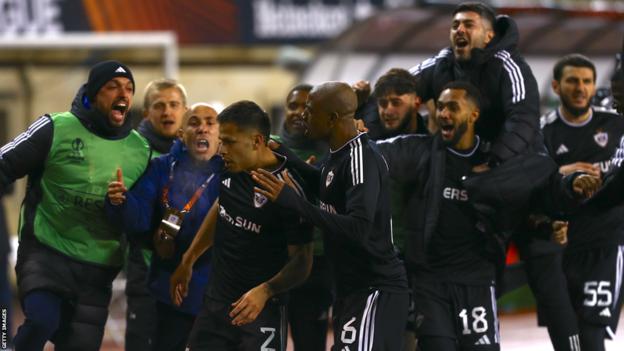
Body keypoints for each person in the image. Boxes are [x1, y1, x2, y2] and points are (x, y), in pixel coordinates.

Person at [372, 81, 597, 351]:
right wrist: (352, 143)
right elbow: (375, 155)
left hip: (478, 280)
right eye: (441, 107)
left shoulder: (497, 161)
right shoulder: (421, 152)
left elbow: (542, 189)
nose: (443, 113)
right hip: (431, 281)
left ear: (474, 115)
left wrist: (571, 185)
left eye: (453, 108)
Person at [0, 60, 151, 350]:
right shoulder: (55, 128)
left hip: (97, 268)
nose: (123, 94)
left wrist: (122, 205)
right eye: (113, 87)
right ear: (94, 94)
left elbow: (140, 218)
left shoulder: (140, 151)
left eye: (129, 88)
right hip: (47, 252)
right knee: (42, 321)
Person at [252, 82, 410, 351]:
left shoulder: (361, 158)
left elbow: (359, 227)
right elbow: (328, 189)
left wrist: (295, 202)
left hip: (375, 287)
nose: (303, 116)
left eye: (310, 110)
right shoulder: (338, 155)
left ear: (333, 118)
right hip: (351, 287)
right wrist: (287, 158)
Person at [170, 100, 314, 351]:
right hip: (216, 304)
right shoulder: (232, 166)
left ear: (257, 141)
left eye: (229, 142)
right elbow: (223, 206)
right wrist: (189, 257)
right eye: (221, 140)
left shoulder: (288, 189)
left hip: (260, 312)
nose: (221, 149)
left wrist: (266, 291)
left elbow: (302, 262)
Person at [106, 103, 220, 351]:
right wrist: (119, 202)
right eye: (194, 123)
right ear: (182, 133)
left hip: (218, 293)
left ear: (220, 135)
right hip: (169, 290)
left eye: (210, 123)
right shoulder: (161, 168)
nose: (202, 129)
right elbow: (138, 218)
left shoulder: (230, 172)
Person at [541, 54, 624, 351]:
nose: (581, 88)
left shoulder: (616, 124)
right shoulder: (542, 133)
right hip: (560, 246)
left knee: (591, 334)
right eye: (572, 81)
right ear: (556, 85)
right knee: (568, 340)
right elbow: (530, 189)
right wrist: (559, 174)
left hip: (605, 243)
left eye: (587, 81)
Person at [408, 1, 540, 164]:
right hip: (461, 158)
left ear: (488, 36)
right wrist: (367, 127)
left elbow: (523, 118)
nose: (460, 30)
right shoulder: (441, 64)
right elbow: (396, 89)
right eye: (455, 25)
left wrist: (494, 161)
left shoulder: (509, 66)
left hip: (509, 162)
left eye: (469, 25)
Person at [125, 78, 189, 351]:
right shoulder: (131, 153)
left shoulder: (199, 154)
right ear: (146, 113)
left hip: (189, 266)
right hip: (146, 263)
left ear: (185, 110)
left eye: (174, 105)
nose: (167, 112)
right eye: (159, 105)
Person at [272, 84, 332, 351]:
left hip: (321, 262)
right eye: (292, 105)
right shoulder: (268, 148)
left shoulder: (336, 152)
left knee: (311, 343)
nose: (298, 112)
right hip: (276, 260)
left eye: (306, 107)